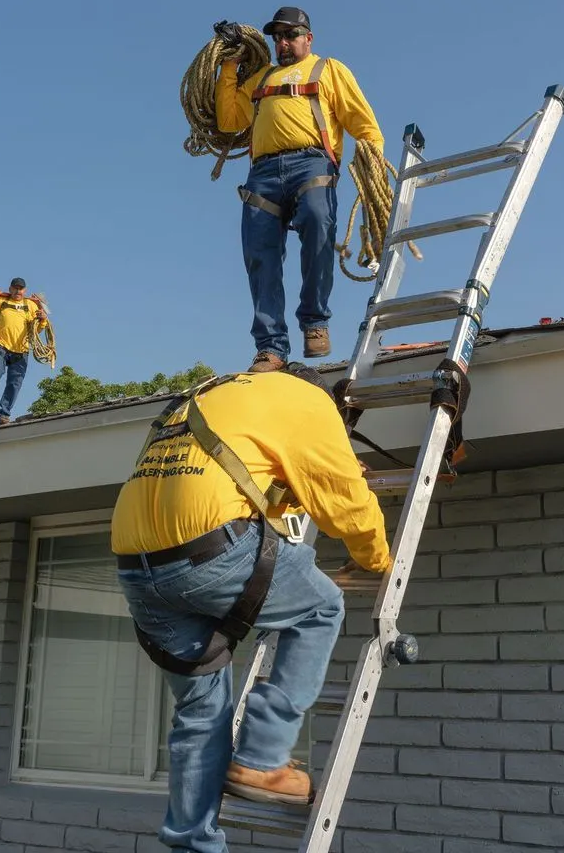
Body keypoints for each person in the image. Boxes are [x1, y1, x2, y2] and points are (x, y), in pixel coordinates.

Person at [112, 365, 390, 853]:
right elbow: (345, 500)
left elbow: (241, 480)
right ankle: (262, 758)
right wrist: (377, 558)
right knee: (320, 608)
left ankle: (192, 845)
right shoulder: (310, 403)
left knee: (200, 711)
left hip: (138, 570)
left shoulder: (213, 395)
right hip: (210, 552)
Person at [215, 6, 385, 373]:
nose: (283, 43)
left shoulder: (328, 70)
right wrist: (229, 67)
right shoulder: (260, 79)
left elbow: (363, 123)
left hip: (312, 162)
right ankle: (271, 348)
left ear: (309, 38)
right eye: (278, 37)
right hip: (263, 172)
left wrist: (372, 161)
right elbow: (229, 119)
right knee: (259, 254)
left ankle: (315, 322)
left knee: (318, 220)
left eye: (291, 35)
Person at [0, 277, 47, 425]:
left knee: (15, 382)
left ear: (24, 290)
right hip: (1, 345)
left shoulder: (30, 305)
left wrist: (43, 319)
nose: (18, 291)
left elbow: (36, 329)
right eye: (15, 288)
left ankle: (4, 413)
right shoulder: (1, 302)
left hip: (21, 350)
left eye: (21, 288)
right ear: (10, 288)